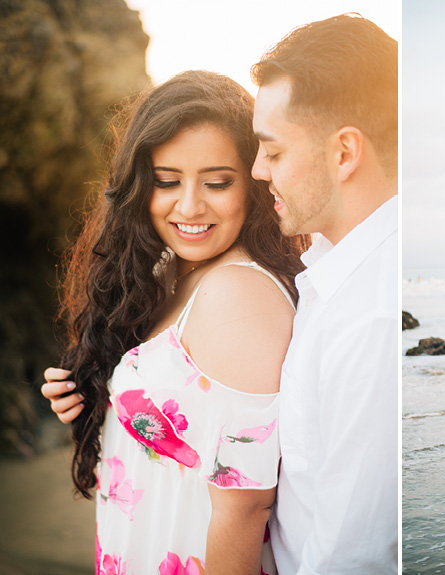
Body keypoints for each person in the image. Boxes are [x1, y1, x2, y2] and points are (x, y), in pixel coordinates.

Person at [43, 70, 308, 573]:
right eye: (167, 181)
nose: (189, 206)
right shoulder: (169, 270)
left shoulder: (238, 294)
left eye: (217, 182)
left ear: (252, 182)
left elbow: (247, 507)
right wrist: (93, 397)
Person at [249, 14, 398, 574]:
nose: (259, 171)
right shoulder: (333, 271)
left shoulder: (371, 316)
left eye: (274, 151)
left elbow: (351, 559)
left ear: (343, 154)